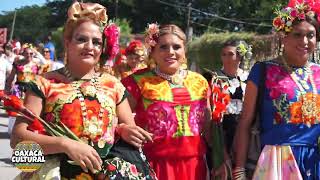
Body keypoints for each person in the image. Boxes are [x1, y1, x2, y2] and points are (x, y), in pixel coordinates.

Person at [10, 2, 155, 179]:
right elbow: (17, 140)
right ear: (67, 42)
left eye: (96, 42)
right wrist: (65, 144)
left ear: (102, 49)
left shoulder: (113, 85)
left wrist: (124, 130)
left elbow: (126, 129)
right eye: (81, 39)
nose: (89, 46)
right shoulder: (44, 83)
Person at [233, 1, 320, 179]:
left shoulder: (318, 73)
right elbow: (245, 121)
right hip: (275, 161)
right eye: (297, 35)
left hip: (313, 161)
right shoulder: (263, 70)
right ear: (284, 37)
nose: (304, 41)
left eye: (310, 35)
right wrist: (239, 169)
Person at [122, 23, 213, 180]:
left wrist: (221, 159)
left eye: (176, 47)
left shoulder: (200, 82)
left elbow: (209, 129)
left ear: (184, 51)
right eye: (163, 47)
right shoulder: (137, 82)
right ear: (153, 52)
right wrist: (123, 129)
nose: (170, 52)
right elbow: (114, 119)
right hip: (153, 165)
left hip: (195, 167)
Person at [209, 40, 251, 156]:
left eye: (231, 54)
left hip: (243, 126)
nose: (227, 58)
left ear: (240, 56)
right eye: (224, 54)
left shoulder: (248, 77)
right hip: (221, 127)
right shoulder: (214, 77)